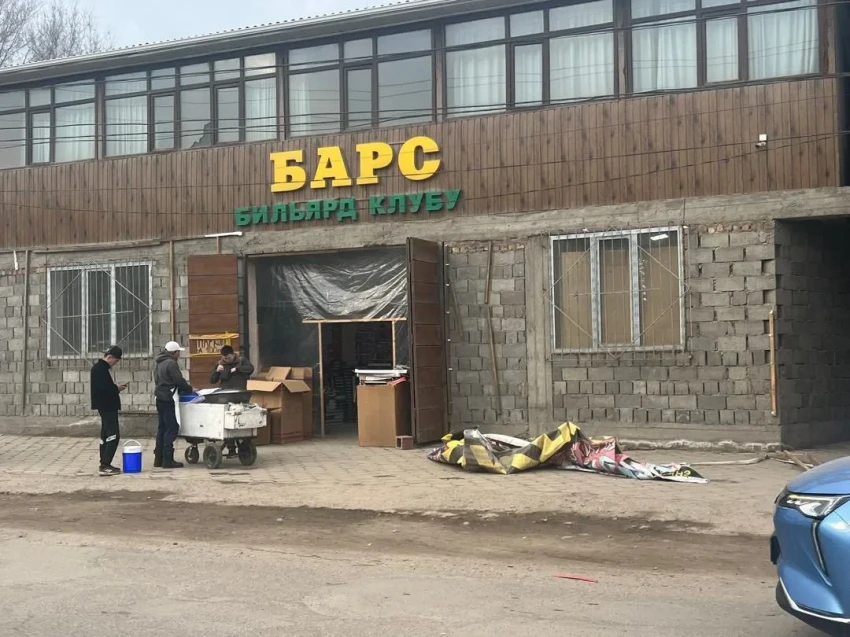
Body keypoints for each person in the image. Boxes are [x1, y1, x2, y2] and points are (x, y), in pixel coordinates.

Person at [153, 341, 194, 469]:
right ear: (173, 353)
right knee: (172, 427)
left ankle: (158, 459)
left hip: (159, 396)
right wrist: (189, 389)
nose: (179, 355)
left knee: (162, 428)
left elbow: (157, 380)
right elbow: (178, 380)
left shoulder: (159, 362)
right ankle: (167, 460)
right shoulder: (171, 363)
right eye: (178, 353)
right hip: (169, 397)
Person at [209, 345, 255, 457]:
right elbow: (212, 380)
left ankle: (245, 445)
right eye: (225, 358)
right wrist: (216, 371)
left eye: (229, 357)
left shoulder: (241, 360)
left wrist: (237, 369)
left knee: (241, 419)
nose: (227, 360)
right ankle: (231, 448)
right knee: (228, 421)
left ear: (233, 354)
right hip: (226, 396)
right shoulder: (220, 364)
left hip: (240, 394)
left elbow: (250, 369)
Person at [90, 346, 128, 476]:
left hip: (104, 406)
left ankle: (104, 463)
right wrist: (117, 388)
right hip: (107, 406)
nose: (115, 364)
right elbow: (104, 390)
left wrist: (114, 387)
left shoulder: (100, 369)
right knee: (113, 435)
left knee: (105, 435)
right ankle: (105, 464)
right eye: (115, 361)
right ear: (109, 357)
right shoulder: (100, 369)